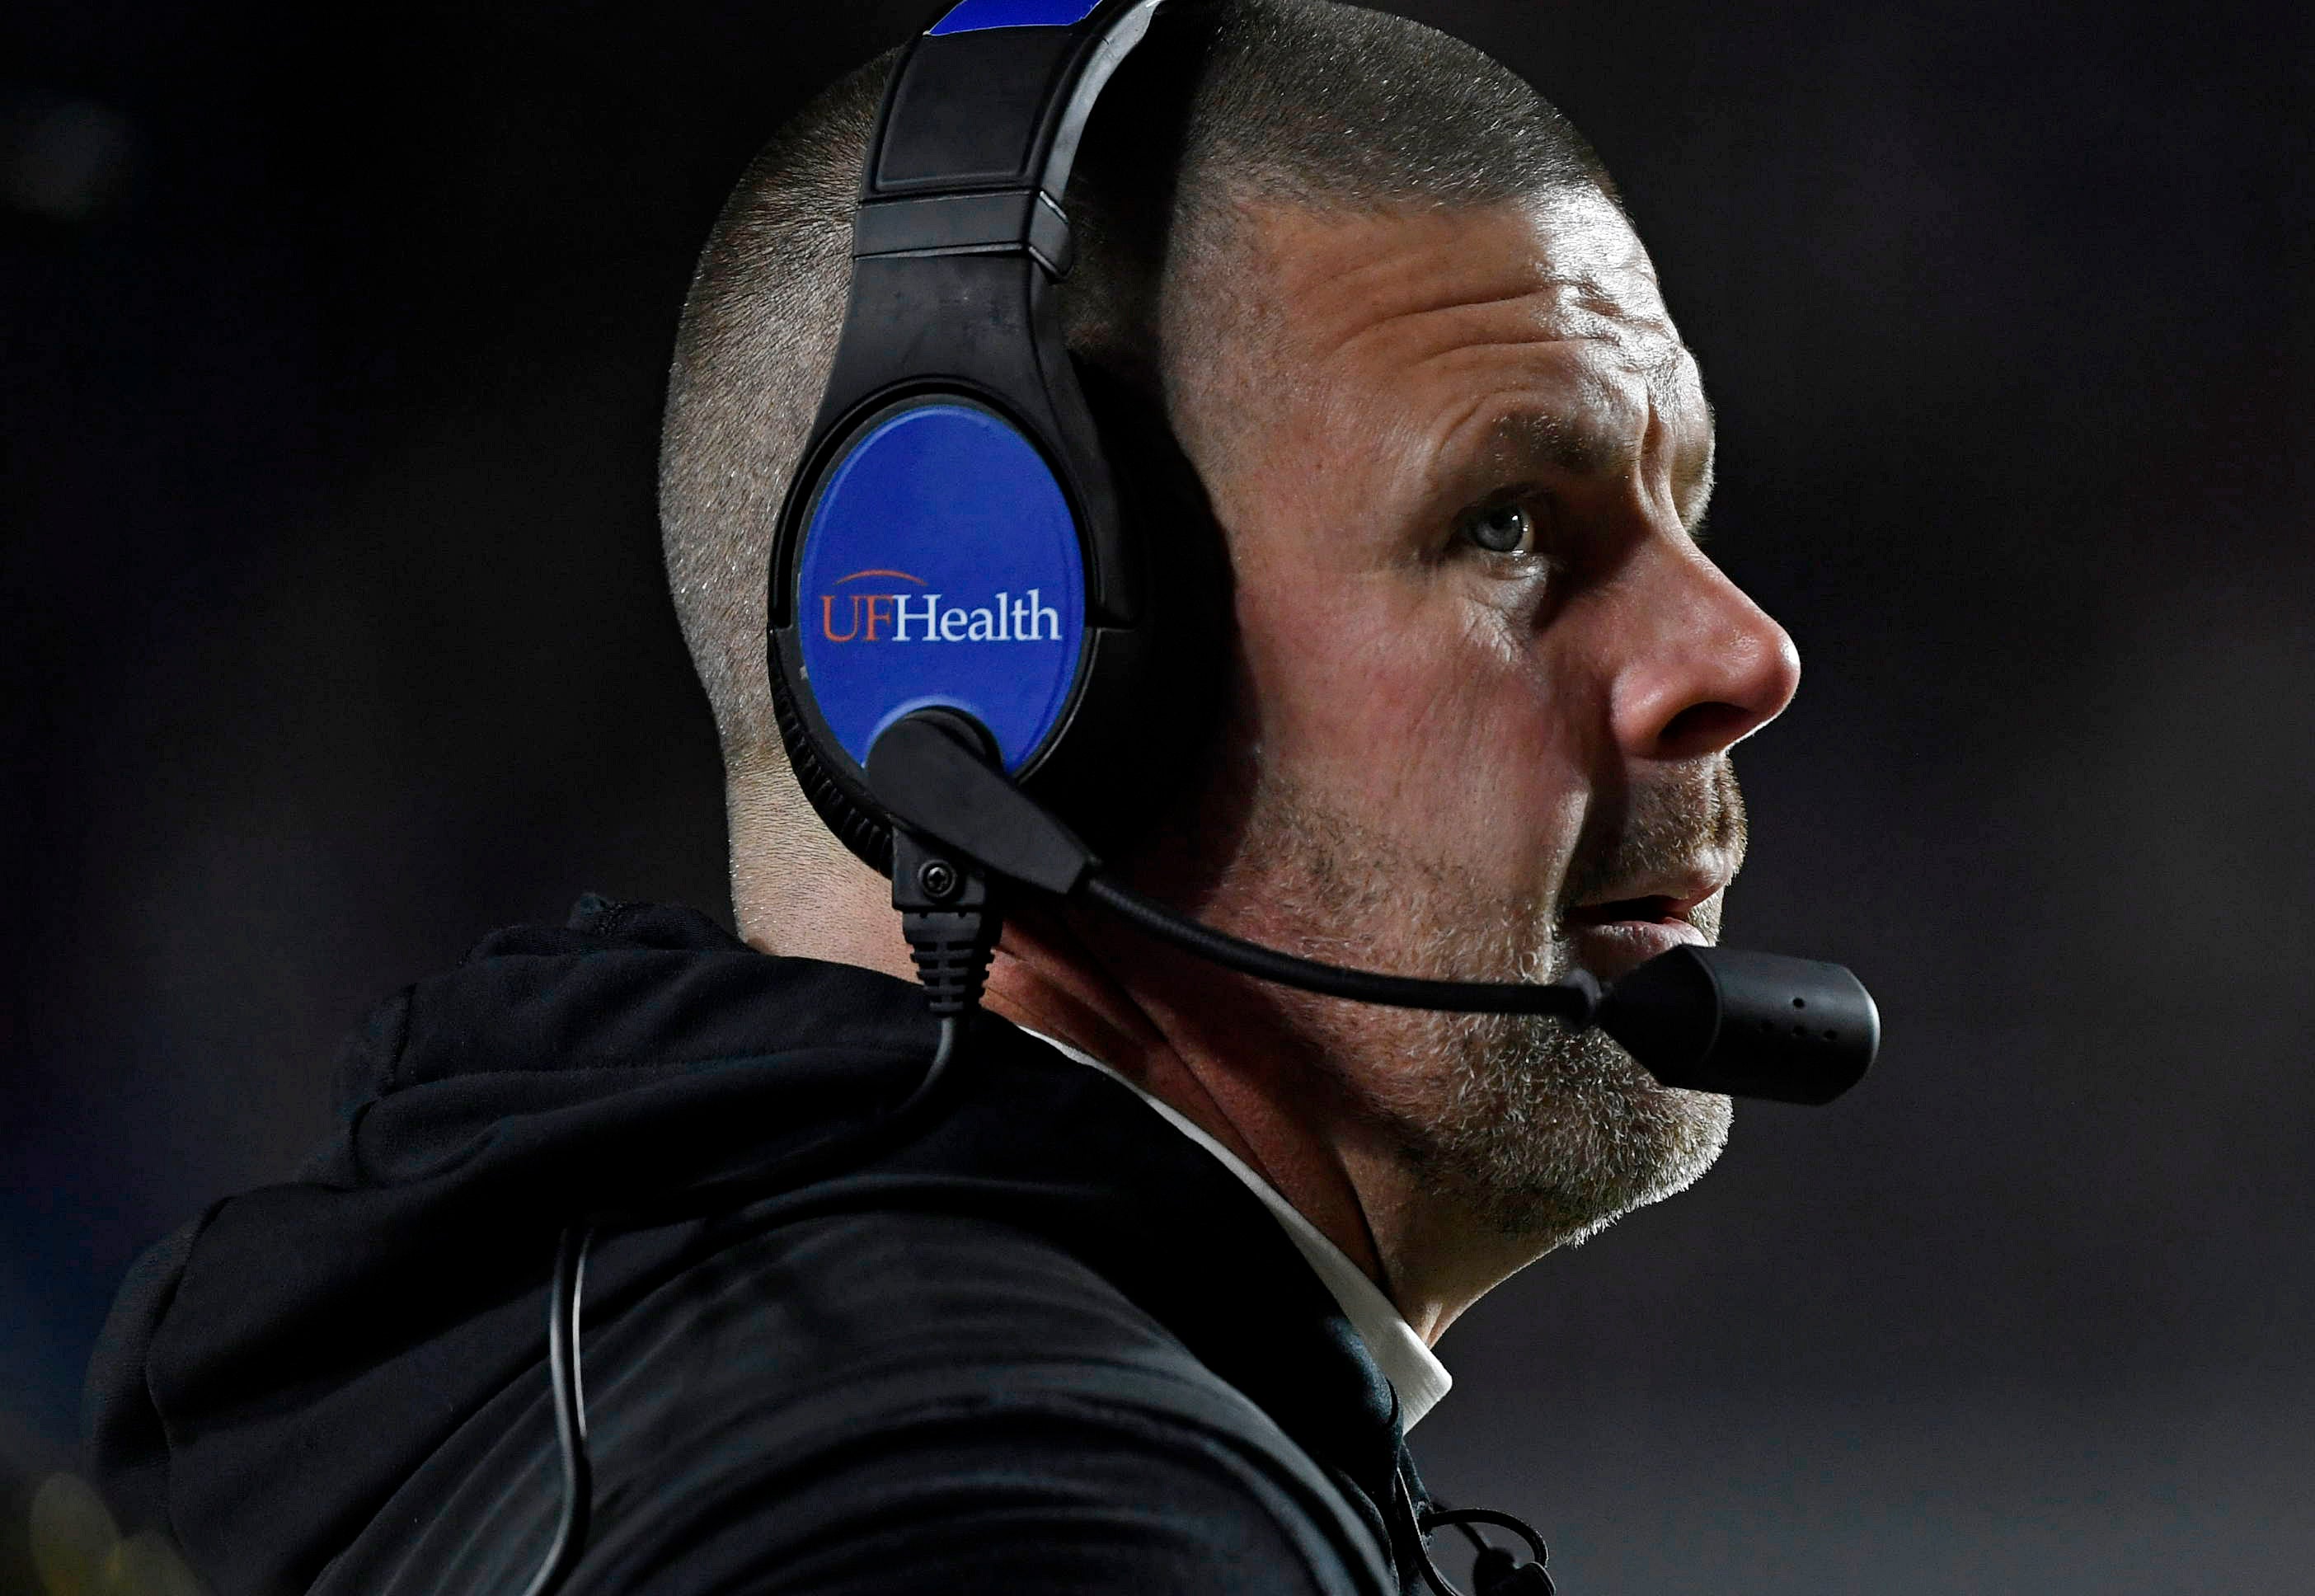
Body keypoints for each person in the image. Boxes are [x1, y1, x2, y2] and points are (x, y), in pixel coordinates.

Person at [84, 2, 1802, 1592]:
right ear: (1017, 669)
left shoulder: (479, 1373)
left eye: (1687, 507)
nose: (1741, 650)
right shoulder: (1030, 1525)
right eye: (1507, 523)